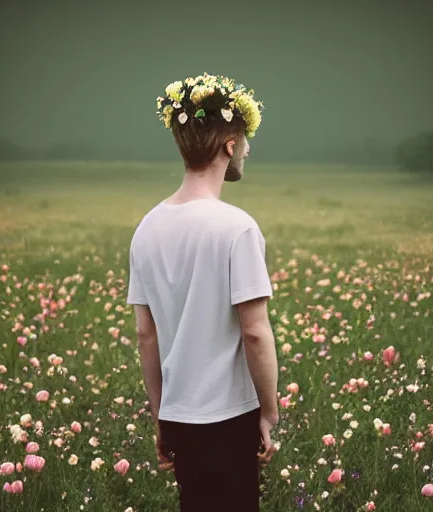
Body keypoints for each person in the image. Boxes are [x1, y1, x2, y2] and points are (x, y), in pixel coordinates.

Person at [126, 73, 279, 512]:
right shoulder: (237, 228)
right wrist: (267, 413)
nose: (248, 150)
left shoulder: (146, 229)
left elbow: (145, 334)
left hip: (179, 417)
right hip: (231, 417)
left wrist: (161, 417)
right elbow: (254, 332)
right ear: (229, 144)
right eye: (245, 141)